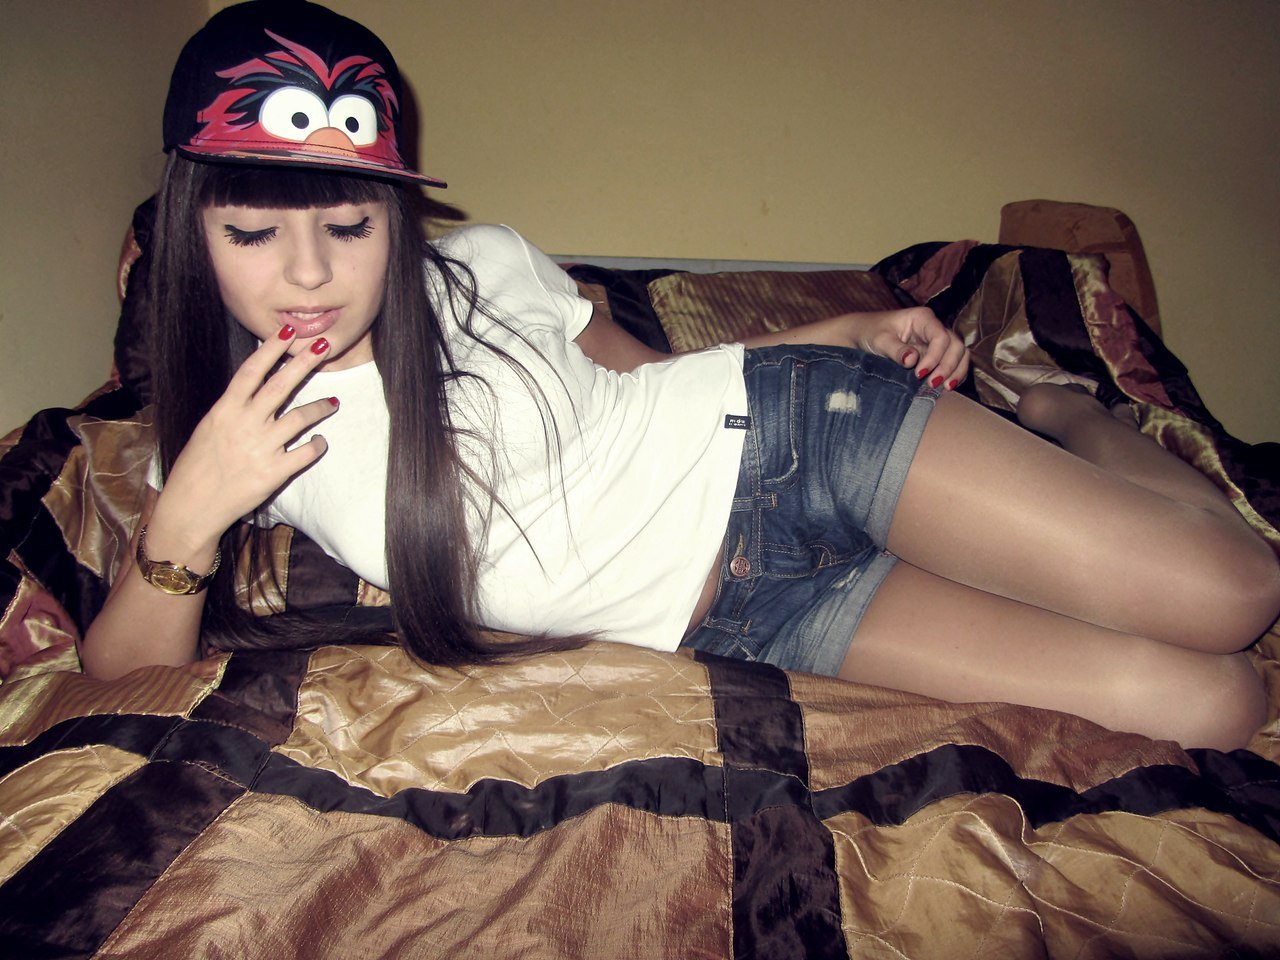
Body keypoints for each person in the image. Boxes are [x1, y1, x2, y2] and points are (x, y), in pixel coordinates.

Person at [82, 0, 1280, 753]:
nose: (306, 275)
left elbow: (652, 378)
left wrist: (836, 333)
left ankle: (1071, 414)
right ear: (193, 229)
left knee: (1235, 591)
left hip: (803, 438)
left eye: (349, 226)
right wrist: (192, 505)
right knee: (1219, 707)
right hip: (748, 614)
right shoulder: (235, 434)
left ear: (395, 211)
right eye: (253, 234)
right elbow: (120, 676)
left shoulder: (480, 265)